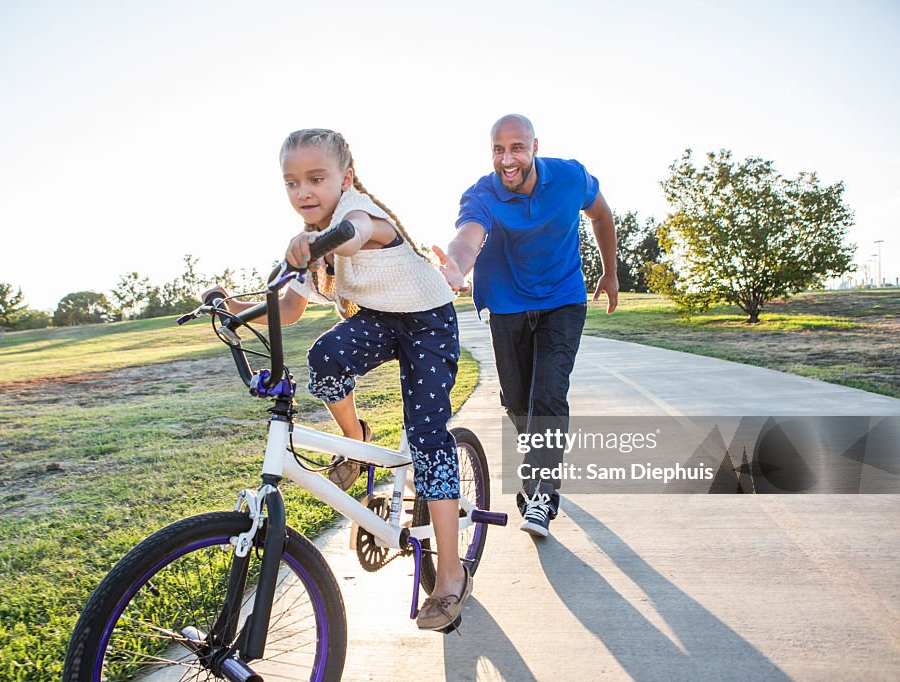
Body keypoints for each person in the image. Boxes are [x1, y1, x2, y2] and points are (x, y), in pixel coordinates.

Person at [204, 129, 471, 631]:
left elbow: (353, 232)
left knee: (427, 437)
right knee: (325, 357)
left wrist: (316, 241)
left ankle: (451, 574)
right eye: (292, 183)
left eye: (316, 178)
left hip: (428, 319)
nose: (304, 192)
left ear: (345, 177)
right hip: (380, 317)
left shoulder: (359, 211)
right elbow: (289, 306)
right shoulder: (314, 242)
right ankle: (356, 439)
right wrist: (234, 308)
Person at [434, 114, 618, 538]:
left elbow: (602, 215)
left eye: (517, 147)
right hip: (507, 304)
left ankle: (541, 494)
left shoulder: (570, 177)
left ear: (535, 146)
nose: (507, 159)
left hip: (563, 299)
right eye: (498, 149)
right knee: (519, 404)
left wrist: (610, 272)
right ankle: (539, 466)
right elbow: (468, 235)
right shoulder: (482, 193)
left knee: (549, 395)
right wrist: (456, 267)